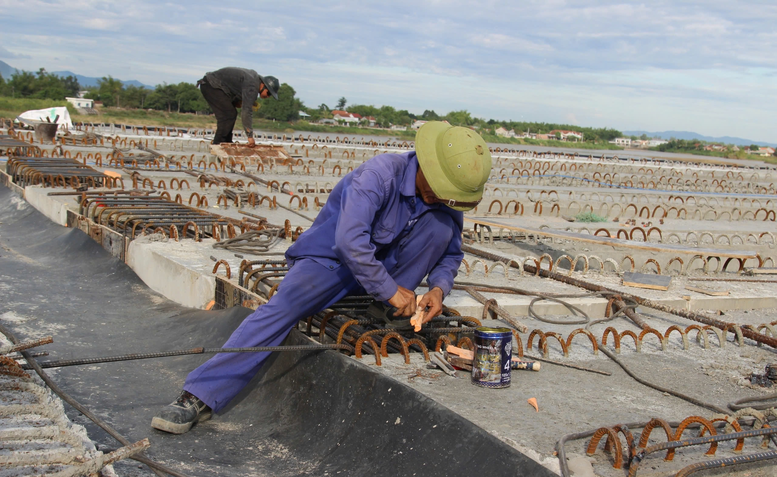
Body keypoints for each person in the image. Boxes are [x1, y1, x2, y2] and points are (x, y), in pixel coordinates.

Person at [151, 121, 492, 434]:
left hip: (383, 273)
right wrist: (391, 290)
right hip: (332, 261)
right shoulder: (379, 175)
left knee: (440, 225)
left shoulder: (446, 199)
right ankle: (199, 395)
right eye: (437, 189)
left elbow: (450, 253)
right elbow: (349, 242)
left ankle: (388, 305)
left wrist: (437, 288)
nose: (439, 197)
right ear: (427, 165)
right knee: (282, 308)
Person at [197, 67, 280, 146]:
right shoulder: (253, 87)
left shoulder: (253, 79)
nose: (268, 96)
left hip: (215, 86)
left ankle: (227, 141)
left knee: (231, 113)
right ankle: (218, 144)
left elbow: (233, 87)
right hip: (211, 85)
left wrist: (236, 101)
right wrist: (250, 136)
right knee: (228, 115)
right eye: (269, 93)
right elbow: (246, 112)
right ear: (263, 85)